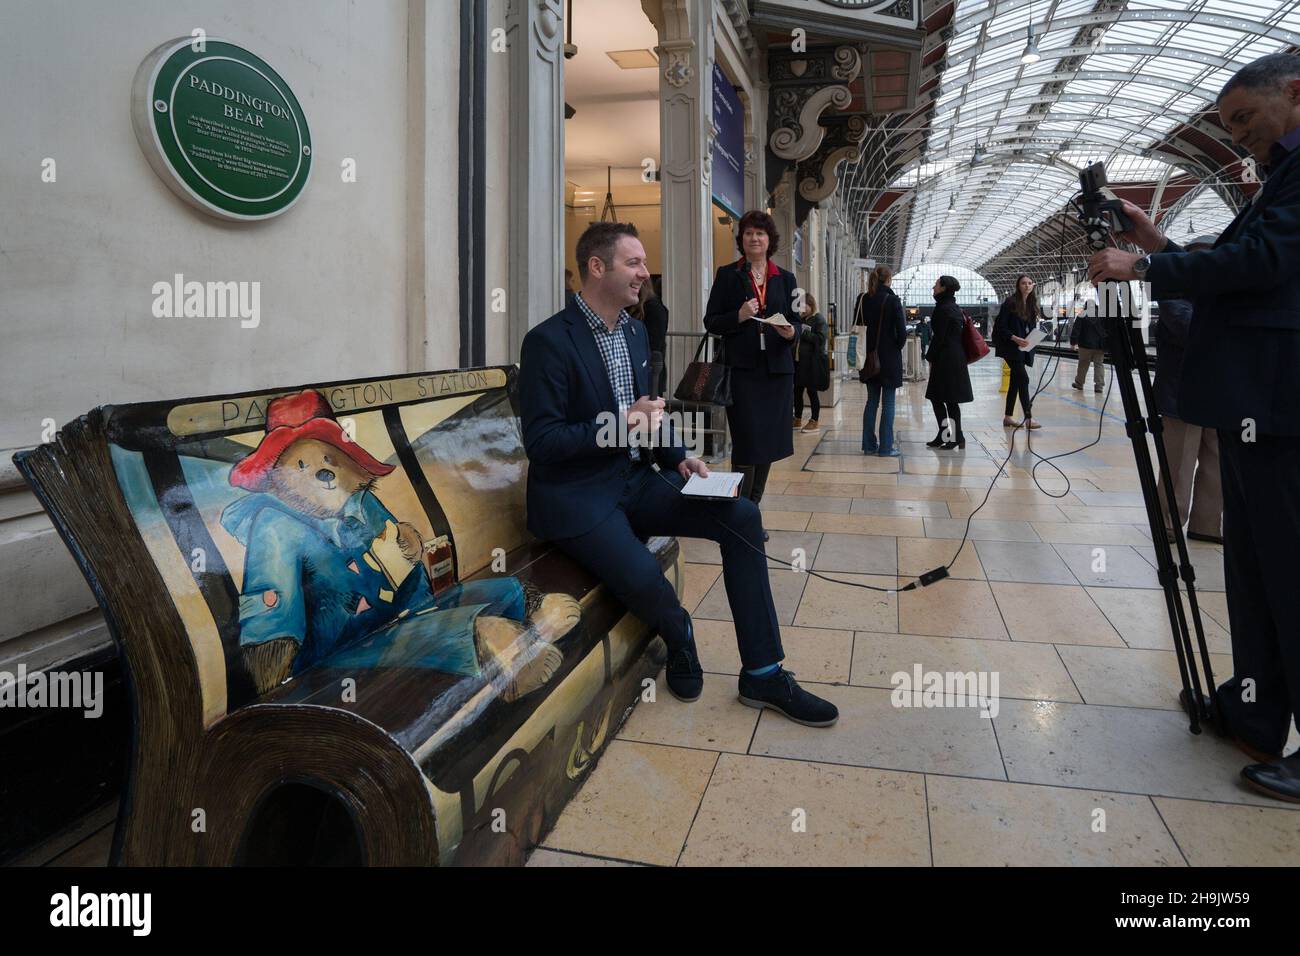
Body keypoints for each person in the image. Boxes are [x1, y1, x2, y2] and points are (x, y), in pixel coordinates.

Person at [519, 221, 837, 726]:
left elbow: (652, 412)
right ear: (597, 268)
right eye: (635, 263)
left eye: (643, 262)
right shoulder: (548, 342)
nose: (645, 273)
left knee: (743, 517)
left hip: (639, 479)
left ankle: (763, 671)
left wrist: (678, 456)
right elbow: (543, 443)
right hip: (579, 496)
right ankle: (680, 634)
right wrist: (622, 426)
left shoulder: (635, 330)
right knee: (648, 579)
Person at [1087, 53, 1300, 802]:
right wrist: (1156, 245)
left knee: (1289, 571)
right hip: (1252, 405)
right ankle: (1255, 705)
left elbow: (1263, 261)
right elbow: (1243, 265)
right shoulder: (1279, 174)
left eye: (1246, 119)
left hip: (1280, 407)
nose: (1240, 138)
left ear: (1295, 93)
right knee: (1251, 567)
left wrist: (1144, 272)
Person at [704, 209, 802, 507]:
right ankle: (738, 511)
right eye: (748, 233)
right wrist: (739, 315)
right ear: (741, 239)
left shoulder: (786, 279)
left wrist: (790, 332)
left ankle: (752, 511)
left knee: (768, 445)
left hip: (777, 373)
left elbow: (798, 321)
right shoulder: (727, 275)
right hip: (744, 373)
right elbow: (711, 321)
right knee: (747, 444)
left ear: (769, 239)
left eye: (760, 233)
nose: (754, 238)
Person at [1154, 235, 1223, 546]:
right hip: (1179, 396)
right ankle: (1169, 521)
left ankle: (1207, 524)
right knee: (1178, 461)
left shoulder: (1222, 299)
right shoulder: (1174, 296)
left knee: (1216, 461)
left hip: (1220, 394)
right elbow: (1189, 330)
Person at [859, 264, 907, 457]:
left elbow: (857, 325)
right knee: (888, 404)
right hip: (888, 360)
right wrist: (894, 346)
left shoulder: (862, 299)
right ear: (889, 280)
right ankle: (886, 447)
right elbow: (902, 333)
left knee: (871, 402)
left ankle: (869, 445)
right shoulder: (893, 300)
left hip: (868, 358)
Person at [924, 275, 973, 449]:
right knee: (950, 400)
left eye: (936, 285)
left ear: (944, 288)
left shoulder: (943, 309)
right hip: (955, 358)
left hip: (946, 359)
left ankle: (949, 436)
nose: (933, 287)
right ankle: (954, 437)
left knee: (937, 398)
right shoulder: (954, 308)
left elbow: (939, 338)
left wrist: (929, 358)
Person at [993, 274, 1042, 428]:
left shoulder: (1032, 304)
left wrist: (1034, 337)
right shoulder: (1010, 302)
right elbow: (1001, 327)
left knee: (1015, 382)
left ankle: (1008, 417)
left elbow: (1031, 327)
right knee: (1024, 379)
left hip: (1023, 347)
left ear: (1033, 286)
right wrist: (1015, 338)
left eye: (1029, 283)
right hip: (1010, 347)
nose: (1027, 285)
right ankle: (1028, 418)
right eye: (1023, 283)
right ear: (1018, 286)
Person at [793, 291, 827, 432]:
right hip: (799, 361)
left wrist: (804, 332)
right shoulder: (801, 319)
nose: (801, 308)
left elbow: (820, 340)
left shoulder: (819, 319)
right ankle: (798, 419)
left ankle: (814, 420)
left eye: (803, 305)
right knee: (797, 391)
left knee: (812, 391)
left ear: (810, 305)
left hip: (812, 362)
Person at [629, 278, 669, 397]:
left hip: (650, 372)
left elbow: (654, 344)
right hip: (638, 370)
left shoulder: (654, 308)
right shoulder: (633, 307)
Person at [1069, 308, 1107, 393]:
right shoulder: (1102, 315)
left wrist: (1073, 342)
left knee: (1083, 364)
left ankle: (1079, 383)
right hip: (1099, 346)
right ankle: (1099, 386)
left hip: (1085, 345)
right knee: (1099, 364)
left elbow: (1076, 329)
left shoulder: (1082, 314)